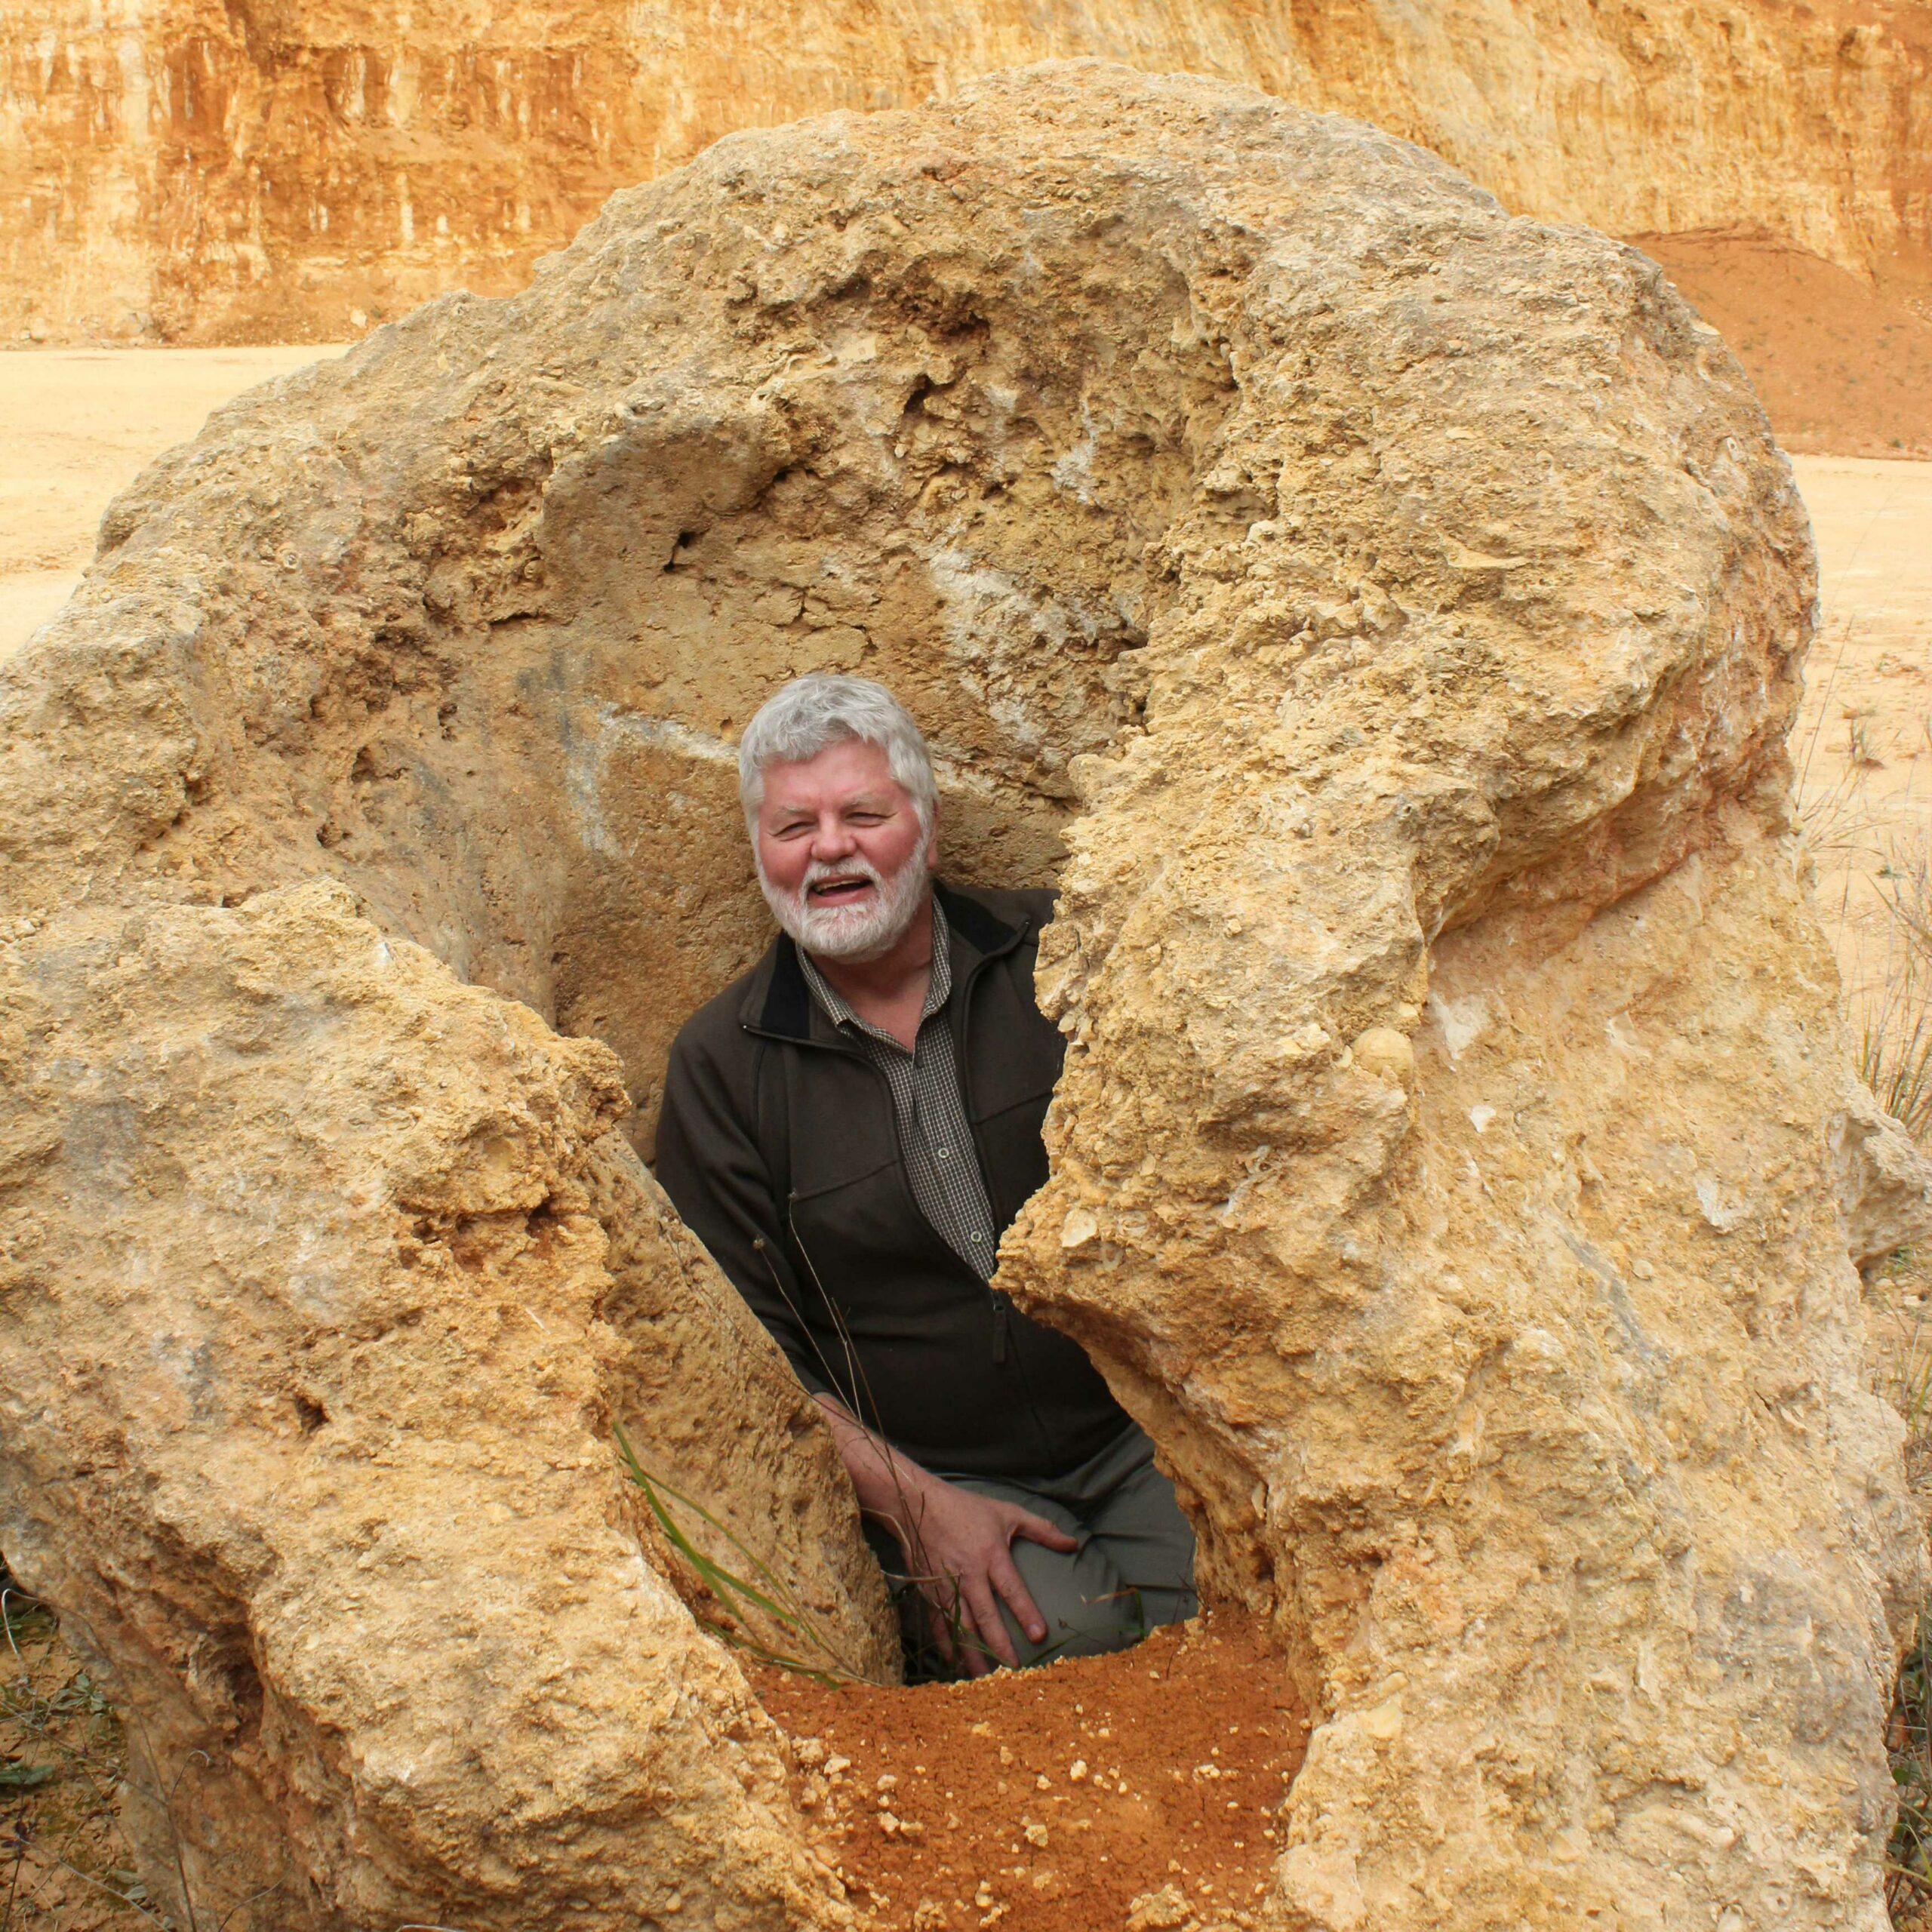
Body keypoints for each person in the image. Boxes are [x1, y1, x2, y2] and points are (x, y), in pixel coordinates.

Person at [654, 673, 1196, 1677]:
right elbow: (743, 1361)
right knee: (1068, 1656)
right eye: (793, 826)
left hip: (1150, 1436)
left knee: (1233, 1624)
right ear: (760, 856)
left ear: (930, 830)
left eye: (864, 814)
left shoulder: (1063, 953)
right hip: (948, 1484)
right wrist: (915, 1508)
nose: (829, 848)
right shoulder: (723, 1069)